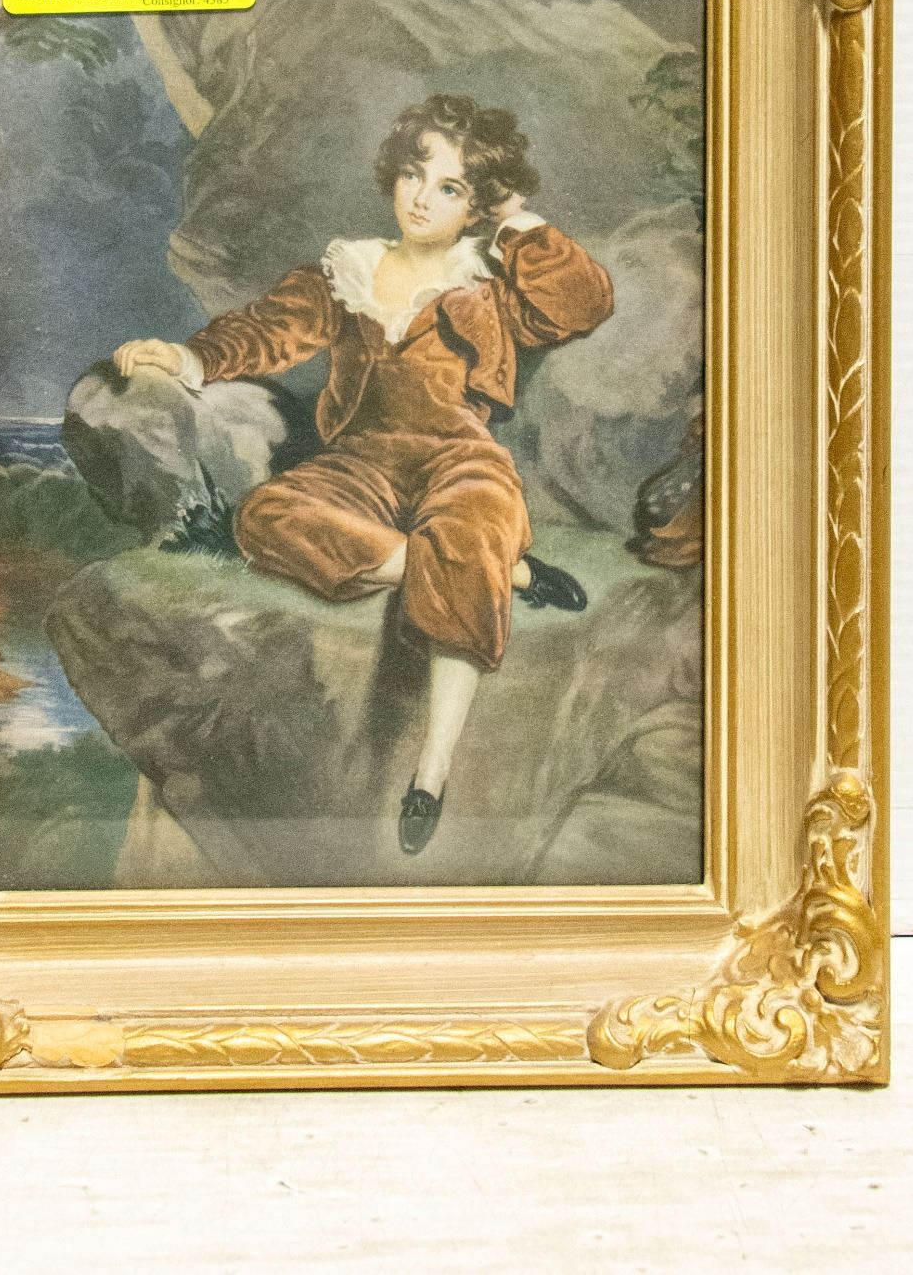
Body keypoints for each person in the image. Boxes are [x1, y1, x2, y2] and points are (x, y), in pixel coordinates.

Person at [113, 95, 614, 853]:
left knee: (475, 519)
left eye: (449, 186)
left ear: (476, 203)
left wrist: (513, 216)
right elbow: (266, 332)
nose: (422, 197)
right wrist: (185, 356)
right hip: (361, 461)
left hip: (459, 456)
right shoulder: (345, 270)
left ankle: (429, 776)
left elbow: (583, 302)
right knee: (266, 517)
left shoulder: (488, 283)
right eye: (413, 173)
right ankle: (497, 572)